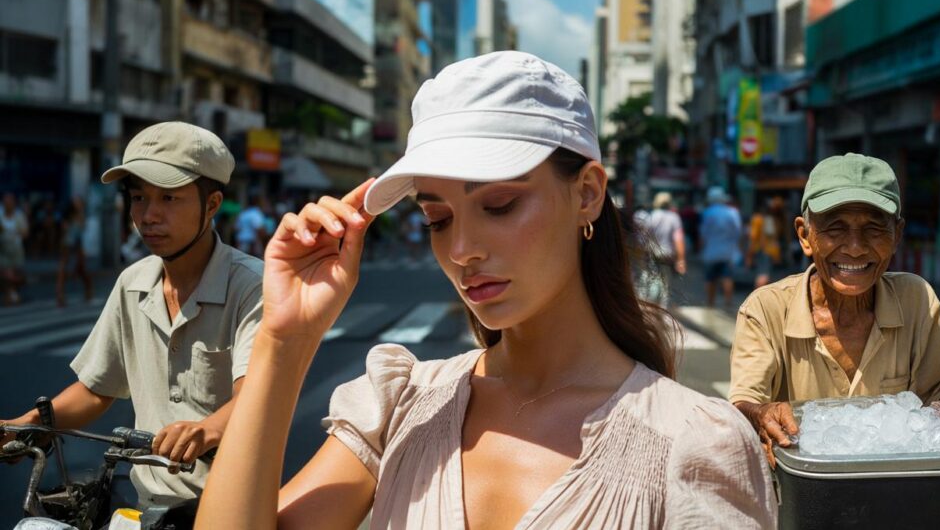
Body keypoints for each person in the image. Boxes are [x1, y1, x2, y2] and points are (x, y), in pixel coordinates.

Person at [195, 51, 777, 529]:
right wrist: (285, 336)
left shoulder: (694, 440)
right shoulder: (400, 405)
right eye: (437, 218)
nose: (461, 249)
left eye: (498, 205)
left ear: (587, 193)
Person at [3, 122, 264, 508]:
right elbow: (97, 390)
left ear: (211, 205)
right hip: (143, 500)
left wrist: (206, 430)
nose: (148, 215)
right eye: (138, 198)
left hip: (230, 506)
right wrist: (26, 427)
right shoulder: (133, 282)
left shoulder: (253, 286)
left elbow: (257, 398)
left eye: (168, 199)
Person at [728, 153, 940, 467]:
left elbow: (934, 390)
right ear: (804, 235)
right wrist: (759, 415)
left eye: (874, 229)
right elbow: (744, 402)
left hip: (891, 491)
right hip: (799, 499)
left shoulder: (917, 299)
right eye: (835, 229)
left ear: (897, 235)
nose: (855, 247)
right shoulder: (766, 308)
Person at [640, 192, 687, 308]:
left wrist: (641, 255)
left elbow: (643, 239)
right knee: (666, 284)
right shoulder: (674, 218)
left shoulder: (651, 216)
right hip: (667, 256)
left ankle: (653, 308)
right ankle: (662, 309)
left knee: (653, 281)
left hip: (652, 254)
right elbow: (678, 240)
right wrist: (681, 260)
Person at [700, 186, 742, 308]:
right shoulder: (732, 212)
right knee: (727, 277)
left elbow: (703, 233)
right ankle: (728, 302)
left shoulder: (707, 212)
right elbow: (737, 232)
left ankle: (710, 302)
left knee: (710, 279)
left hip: (711, 252)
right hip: (728, 252)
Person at [54, 196, 93, 307]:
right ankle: (60, 294)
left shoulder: (81, 216)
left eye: (79, 202)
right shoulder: (67, 217)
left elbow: (82, 229)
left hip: (78, 245)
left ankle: (88, 290)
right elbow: (64, 232)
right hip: (67, 244)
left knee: (81, 269)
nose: (77, 204)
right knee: (63, 269)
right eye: (76, 202)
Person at [745, 197, 785, 289]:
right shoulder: (776, 220)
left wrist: (749, 254)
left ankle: (758, 299)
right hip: (773, 251)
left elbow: (753, 237)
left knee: (762, 276)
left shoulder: (758, 219)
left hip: (762, 250)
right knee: (767, 277)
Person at [0, 192, 29, 304]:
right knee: (5, 273)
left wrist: (16, 234)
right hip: (2, 248)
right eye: (6, 202)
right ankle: (9, 294)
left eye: (10, 202)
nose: (8, 204)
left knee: (16, 274)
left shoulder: (19, 215)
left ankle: (13, 293)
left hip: (16, 249)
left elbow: (26, 232)